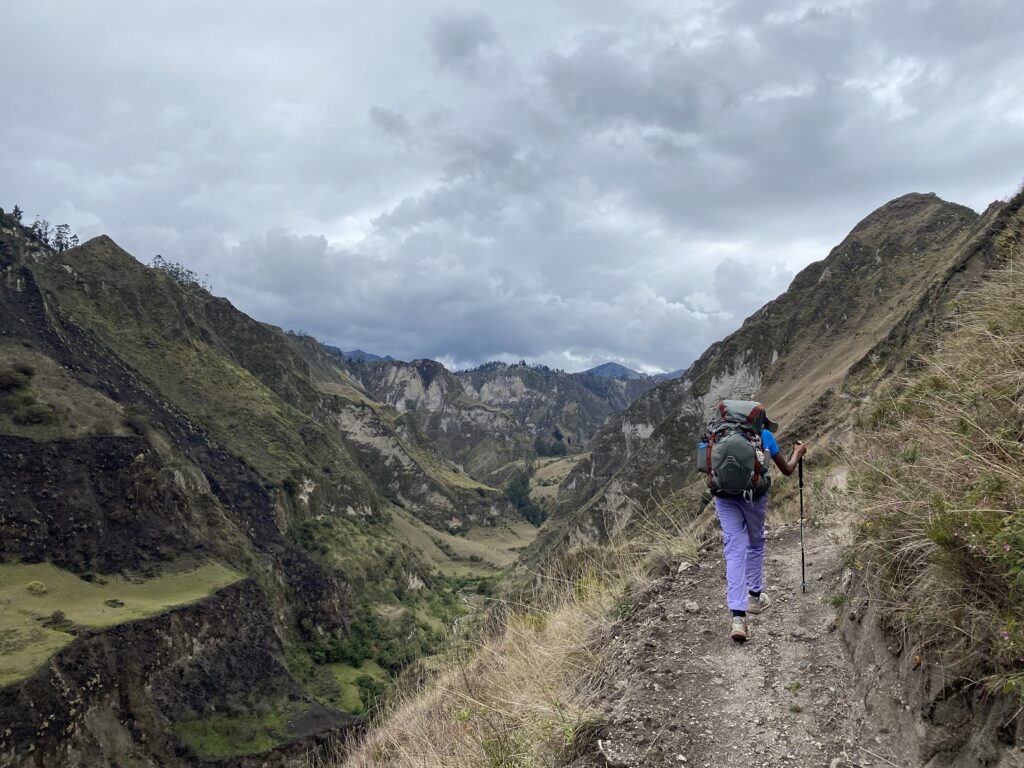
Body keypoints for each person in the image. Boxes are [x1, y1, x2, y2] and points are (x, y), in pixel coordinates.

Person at [715, 416, 806, 642]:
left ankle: (738, 618)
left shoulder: (718, 434)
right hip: (754, 497)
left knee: (734, 549)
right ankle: (754, 598)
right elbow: (786, 469)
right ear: (760, 421)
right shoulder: (764, 435)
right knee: (755, 542)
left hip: (724, 496)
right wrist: (799, 453)